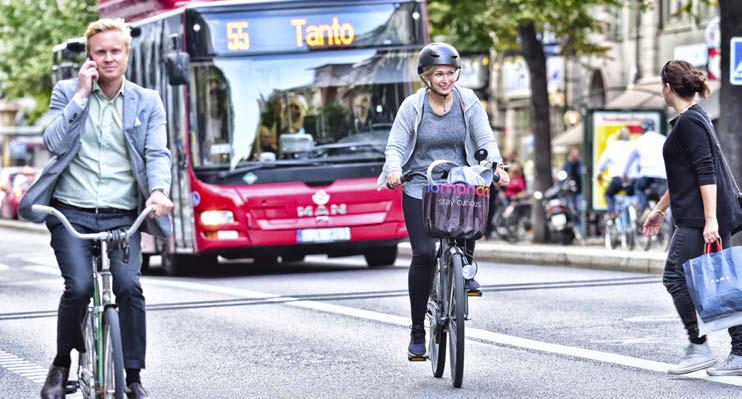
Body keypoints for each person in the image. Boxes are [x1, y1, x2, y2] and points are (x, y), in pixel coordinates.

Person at [18, 18, 174, 399]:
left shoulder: (148, 101)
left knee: (129, 288)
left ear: (127, 54)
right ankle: (60, 365)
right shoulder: (67, 92)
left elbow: (157, 153)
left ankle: (133, 377)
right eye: (100, 52)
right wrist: (81, 96)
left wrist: (158, 191)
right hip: (71, 212)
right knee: (79, 287)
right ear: (89, 58)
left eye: (115, 51)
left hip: (123, 215)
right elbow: (54, 143)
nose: (108, 58)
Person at [378, 42, 509, 360]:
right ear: (426, 76)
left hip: (457, 182)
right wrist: (395, 169)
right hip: (420, 186)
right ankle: (417, 332)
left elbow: (485, 138)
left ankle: (464, 266)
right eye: (439, 74)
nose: (446, 80)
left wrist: (497, 166)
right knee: (423, 254)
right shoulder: (413, 106)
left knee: (471, 219)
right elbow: (395, 144)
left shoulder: (467, 101)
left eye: (451, 73)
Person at [643, 60, 742, 376]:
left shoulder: (690, 122)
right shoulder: (692, 119)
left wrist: (710, 219)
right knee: (723, 285)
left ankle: (699, 348)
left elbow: (705, 171)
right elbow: (683, 176)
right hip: (702, 215)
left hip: (700, 218)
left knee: (674, 276)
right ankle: (739, 353)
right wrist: (659, 209)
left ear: (667, 88)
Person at [623, 119, 667, 213]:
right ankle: (665, 213)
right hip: (662, 175)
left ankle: (645, 208)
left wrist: (625, 173)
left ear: (642, 129)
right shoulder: (663, 139)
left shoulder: (639, 140)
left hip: (646, 174)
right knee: (664, 196)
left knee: (638, 188)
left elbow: (629, 160)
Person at [596, 128, 635, 218]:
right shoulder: (634, 145)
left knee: (608, 194)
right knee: (632, 196)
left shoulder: (612, 147)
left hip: (618, 178)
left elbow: (602, 164)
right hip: (632, 178)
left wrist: (599, 173)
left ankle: (612, 212)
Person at [562, 147, 583, 215]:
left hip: (579, 189)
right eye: (574, 155)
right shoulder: (568, 164)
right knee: (571, 209)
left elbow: (581, 175)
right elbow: (564, 175)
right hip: (570, 190)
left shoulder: (580, 164)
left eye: (576, 155)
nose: (575, 157)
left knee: (579, 208)